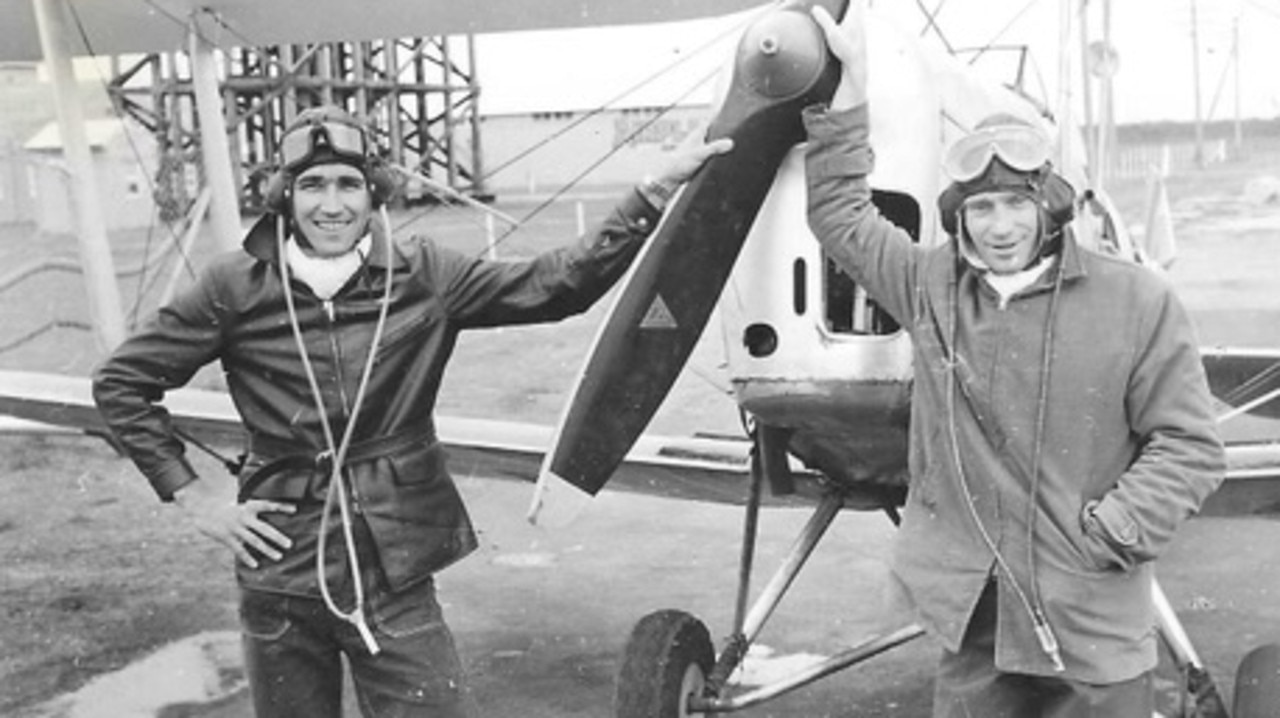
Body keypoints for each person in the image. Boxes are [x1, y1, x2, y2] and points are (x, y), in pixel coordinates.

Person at [92, 105, 732, 717]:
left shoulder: (424, 274)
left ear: (375, 193)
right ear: (284, 196)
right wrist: (194, 496)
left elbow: (557, 284)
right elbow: (121, 382)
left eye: (349, 183)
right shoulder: (234, 285)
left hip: (393, 563)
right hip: (281, 566)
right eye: (312, 185)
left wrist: (648, 192)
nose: (332, 204)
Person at [803, 5, 1224, 716]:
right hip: (978, 634)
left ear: (1050, 207)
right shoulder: (929, 284)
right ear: (958, 216)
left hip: (1093, 627)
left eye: (1017, 205)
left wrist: (1111, 531)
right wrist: (846, 105)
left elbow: (1190, 446)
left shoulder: (1137, 299)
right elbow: (840, 216)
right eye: (981, 208)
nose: (1000, 227)